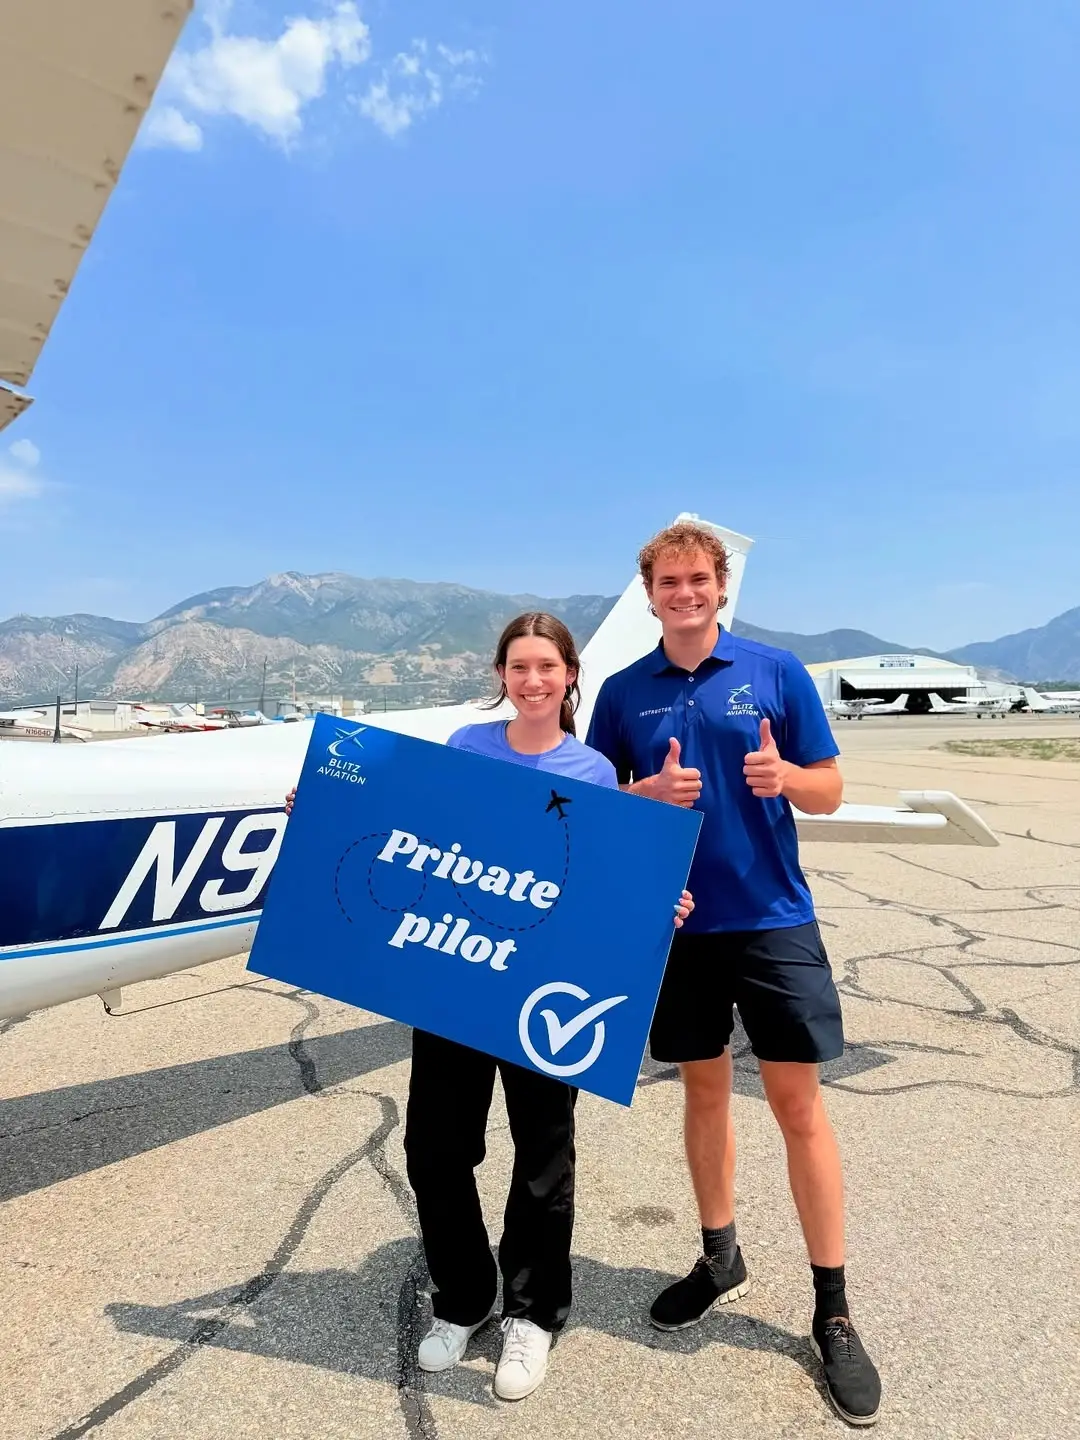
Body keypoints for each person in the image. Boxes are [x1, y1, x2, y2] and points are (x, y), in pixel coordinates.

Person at [286, 611, 693, 1402]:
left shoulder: (594, 771)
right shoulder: (467, 750)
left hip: (540, 982)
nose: (533, 680)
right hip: (454, 979)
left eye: (547, 666)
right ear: (501, 676)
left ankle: (534, 1314)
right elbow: (414, 835)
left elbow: (601, 878)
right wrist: (325, 813)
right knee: (436, 1150)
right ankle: (465, 1298)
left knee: (542, 1158)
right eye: (519, 667)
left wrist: (654, 905)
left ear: (570, 676)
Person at [585, 522, 882, 1427]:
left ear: (721, 588)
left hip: (773, 920)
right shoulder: (622, 690)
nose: (684, 592)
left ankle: (832, 1309)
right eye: (668, 580)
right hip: (677, 930)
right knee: (702, 1097)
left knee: (800, 1110)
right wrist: (643, 796)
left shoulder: (776, 672)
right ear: (649, 592)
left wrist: (783, 774)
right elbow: (593, 799)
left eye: (698, 579)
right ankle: (720, 1257)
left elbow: (830, 786)